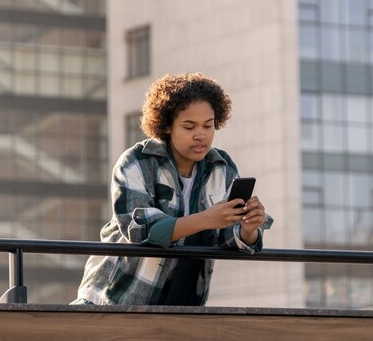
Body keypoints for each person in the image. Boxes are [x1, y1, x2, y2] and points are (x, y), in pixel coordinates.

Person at [72, 72, 272, 306]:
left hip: (181, 305)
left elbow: (230, 237)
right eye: (189, 126)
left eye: (208, 125)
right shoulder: (136, 162)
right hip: (113, 300)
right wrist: (208, 218)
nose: (201, 135)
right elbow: (141, 230)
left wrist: (249, 228)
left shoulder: (222, 167)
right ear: (166, 125)